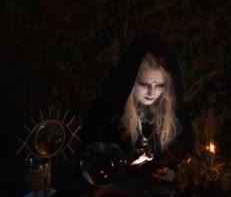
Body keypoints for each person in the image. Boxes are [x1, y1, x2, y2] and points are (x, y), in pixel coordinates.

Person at [79, 35, 190, 185]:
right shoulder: (107, 115)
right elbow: (94, 168)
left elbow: (175, 167)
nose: (152, 93)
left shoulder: (166, 115)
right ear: (131, 81)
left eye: (159, 85)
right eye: (144, 84)